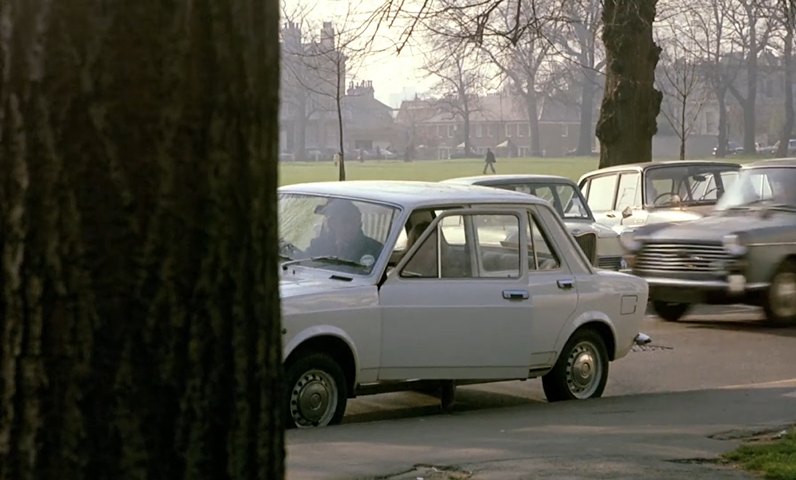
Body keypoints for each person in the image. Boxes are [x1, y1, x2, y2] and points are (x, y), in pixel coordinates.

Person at [306, 199, 383, 266]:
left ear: (360, 222)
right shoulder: (318, 246)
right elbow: (302, 265)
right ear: (332, 223)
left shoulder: (375, 251)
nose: (350, 227)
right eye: (345, 221)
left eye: (355, 220)